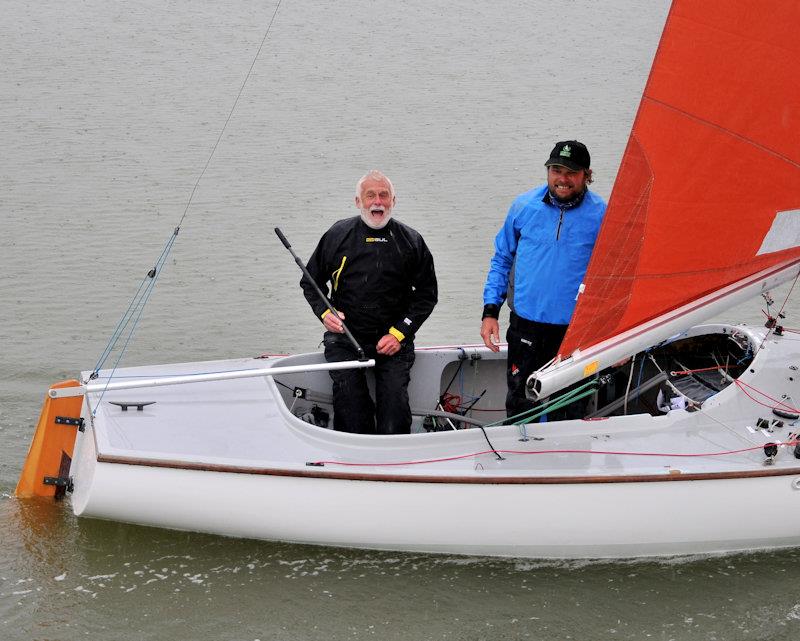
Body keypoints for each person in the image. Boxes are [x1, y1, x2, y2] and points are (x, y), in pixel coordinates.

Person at [300, 170, 438, 435]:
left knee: (394, 416)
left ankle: (397, 467)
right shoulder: (337, 234)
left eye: (384, 195)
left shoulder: (411, 241)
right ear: (358, 201)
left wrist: (399, 334)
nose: (377, 201)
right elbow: (310, 283)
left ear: (393, 201)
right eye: (370, 195)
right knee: (352, 412)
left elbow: (426, 295)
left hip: (394, 341)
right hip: (346, 339)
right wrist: (324, 312)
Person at [480, 140, 607, 419]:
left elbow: (614, 277)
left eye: (571, 173)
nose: (562, 179)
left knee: (570, 410)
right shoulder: (523, 206)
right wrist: (490, 312)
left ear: (586, 175)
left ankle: (567, 460)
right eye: (556, 170)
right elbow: (502, 260)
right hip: (526, 328)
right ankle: (518, 460)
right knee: (520, 406)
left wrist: (614, 331)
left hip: (574, 333)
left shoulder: (603, 215)